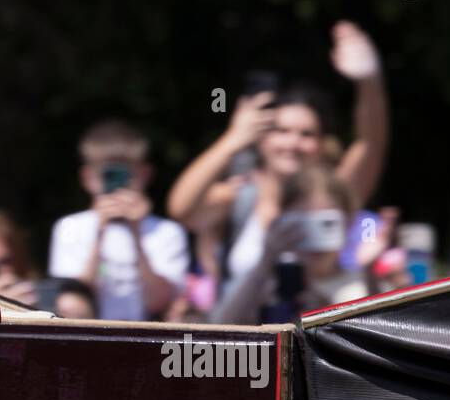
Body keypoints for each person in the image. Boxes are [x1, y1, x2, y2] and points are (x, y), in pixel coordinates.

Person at [166, 22, 389, 311]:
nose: (292, 143)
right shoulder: (240, 195)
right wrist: (232, 140)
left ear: (322, 143)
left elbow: (370, 144)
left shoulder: (332, 194)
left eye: (306, 134)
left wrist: (369, 80)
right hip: (244, 340)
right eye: (281, 131)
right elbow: (182, 210)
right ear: (262, 137)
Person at [47, 119, 189, 321]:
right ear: (87, 177)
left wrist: (136, 233)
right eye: (107, 175)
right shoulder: (69, 227)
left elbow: (159, 302)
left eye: (125, 174)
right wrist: (100, 233)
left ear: (145, 174)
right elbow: (72, 301)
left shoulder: (168, 231)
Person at [211, 164, 368, 324]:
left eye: (326, 223)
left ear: (348, 222)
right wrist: (266, 260)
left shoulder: (364, 283)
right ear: (284, 221)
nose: (314, 236)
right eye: (302, 224)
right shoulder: (267, 284)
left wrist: (371, 274)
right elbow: (222, 329)